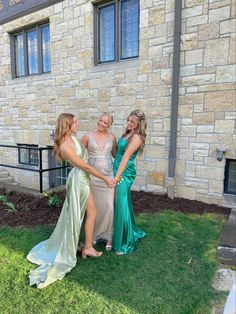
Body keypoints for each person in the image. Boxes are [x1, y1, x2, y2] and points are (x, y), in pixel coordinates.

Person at [27, 113, 114, 289]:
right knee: (86, 213)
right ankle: (85, 247)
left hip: (83, 179)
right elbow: (86, 166)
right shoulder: (66, 146)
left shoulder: (73, 139)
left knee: (88, 212)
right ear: (68, 125)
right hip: (79, 181)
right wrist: (105, 178)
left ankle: (84, 246)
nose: (77, 124)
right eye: (75, 122)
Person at [112, 109, 147, 255]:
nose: (129, 123)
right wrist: (111, 142)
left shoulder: (137, 138)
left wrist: (116, 178)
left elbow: (125, 158)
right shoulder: (126, 134)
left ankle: (124, 242)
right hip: (117, 167)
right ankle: (119, 232)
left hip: (125, 172)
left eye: (133, 122)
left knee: (121, 203)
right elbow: (116, 155)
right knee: (119, 202)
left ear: (139, 124)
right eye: (128, 120)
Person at [81, 113, 117, 251]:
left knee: (109, 206)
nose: (102, 124)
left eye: (105, 123)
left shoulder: (112, 137)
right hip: (92, 176)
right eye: (100, 121)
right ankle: (94, 235)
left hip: (108, 174)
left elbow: (115, 155)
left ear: (109, 125)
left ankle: (109, 236)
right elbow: (79, 155)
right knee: (94, 207)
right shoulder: (87, 136)